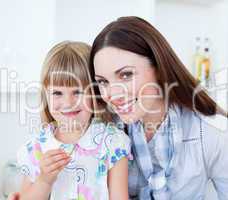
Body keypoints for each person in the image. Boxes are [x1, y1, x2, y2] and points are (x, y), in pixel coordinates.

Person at [89, 16, 228, 200]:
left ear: (159, 67)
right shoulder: (103, 132)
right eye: (103, 81)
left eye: (125, 75)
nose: (113, 94)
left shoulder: (212, 132)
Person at [16, 41, 132, 200]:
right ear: (46, 96)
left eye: (78, 92)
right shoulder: (36, 148)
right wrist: (44, 181)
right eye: (57, 93)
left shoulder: (113, 143)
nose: (68, 103)